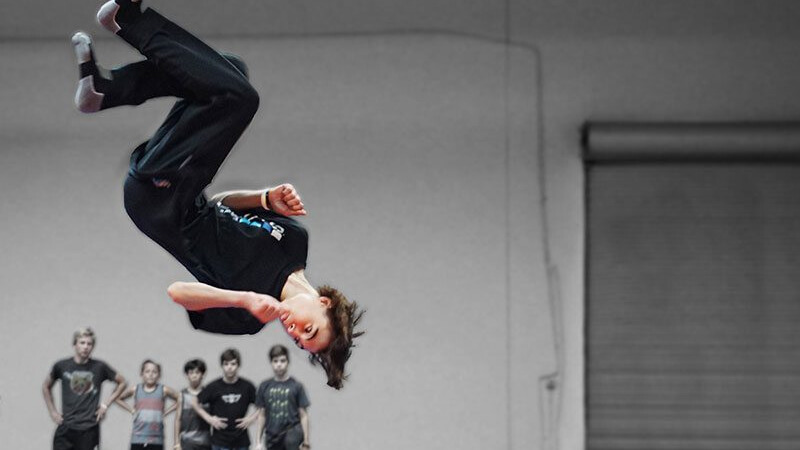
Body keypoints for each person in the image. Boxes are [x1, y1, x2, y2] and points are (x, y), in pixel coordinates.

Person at [72, 0, 363, 389]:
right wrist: (264, 199)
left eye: (298, 341)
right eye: (308, 329)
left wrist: (242, 299)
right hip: (188, 190)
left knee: (239, 98)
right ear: (323, 303)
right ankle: (104, 90)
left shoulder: (248, 319)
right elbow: (221, 206)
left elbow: (178, 293)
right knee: (229, 71)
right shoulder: (295, 240)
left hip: (160, 205)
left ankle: (129, 23)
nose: (294, 332)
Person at [42, 327, 128, 450]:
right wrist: (52, 412)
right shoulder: (61, 366)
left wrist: (105, 405)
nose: (85, 347)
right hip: (66, 427)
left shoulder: (100, 367)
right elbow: (46, 386)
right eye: (82, 343)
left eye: (89, 344)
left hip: (89, 428)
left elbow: (122, 382)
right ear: (75, 344)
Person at [191, 349, 257, 450]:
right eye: (226, 364)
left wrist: (251, 419)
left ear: (238, 365)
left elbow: (263, 405)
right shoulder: (214, 387)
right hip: (220, 441)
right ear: (222, 365)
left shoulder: (247, 386)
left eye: (233, 364)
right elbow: (194, 402)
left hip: (241, 441)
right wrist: (209, 419)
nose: (229, 367)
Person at [255, 345, 311, 450]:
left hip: (292, 435)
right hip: (272, 437)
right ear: (271, 363)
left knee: (291, 439)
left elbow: (303, 415)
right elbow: (262, 415)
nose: (279, 364)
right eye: (275, 361)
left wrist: (306, 442)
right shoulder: (264, 386)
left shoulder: (296, 386)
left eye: (282, 361)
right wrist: (258, 441)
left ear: (288, 362)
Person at [116, 359, 180, 450]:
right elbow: (117, 398)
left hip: (157, 438)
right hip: (137, 437)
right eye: (147, 371)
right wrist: (131, 410)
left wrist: (166, 412)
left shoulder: (163, 389)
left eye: (154, 372)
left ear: (159, 375)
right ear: (142, 374)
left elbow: (181, 399)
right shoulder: (136, 389)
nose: (151, 374)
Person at [175, 359, 212, 450]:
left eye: (197, 372)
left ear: (203, 374)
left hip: (205, 442)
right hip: (187, 442)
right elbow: (178, 419)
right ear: (187, 375)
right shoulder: (182, 395)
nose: (194, 375)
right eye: (191, 373)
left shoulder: (209, 394)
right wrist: (176, 443)